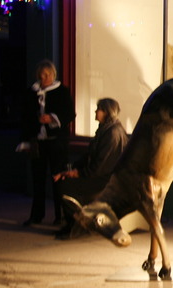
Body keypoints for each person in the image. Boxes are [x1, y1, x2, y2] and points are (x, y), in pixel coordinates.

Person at [52, 98, 128, 239]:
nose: (95, 111)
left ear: (107, 112)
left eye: (99, 109)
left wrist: (77, 174)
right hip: (99, 175)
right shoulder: (105, 129)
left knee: (65, 186)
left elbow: (100, 166)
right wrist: (71, 170)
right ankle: (74, 222)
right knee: (63, 181)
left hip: (106, 180)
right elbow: (89, 156)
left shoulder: (113, 133)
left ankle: (77, 225)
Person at [20, 60, 75, 226]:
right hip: (38, 142)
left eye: (47, 75)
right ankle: (36, 215)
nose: (44, 78)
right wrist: (27, 139)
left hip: (57, 142)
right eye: (42, 75)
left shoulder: (62, 91)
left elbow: (70, 114)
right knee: (38, 179)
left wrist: (52, 118)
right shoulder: (31, 93)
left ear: (53, 75)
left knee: (58, 178)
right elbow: (25, 116)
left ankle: (60, 216)